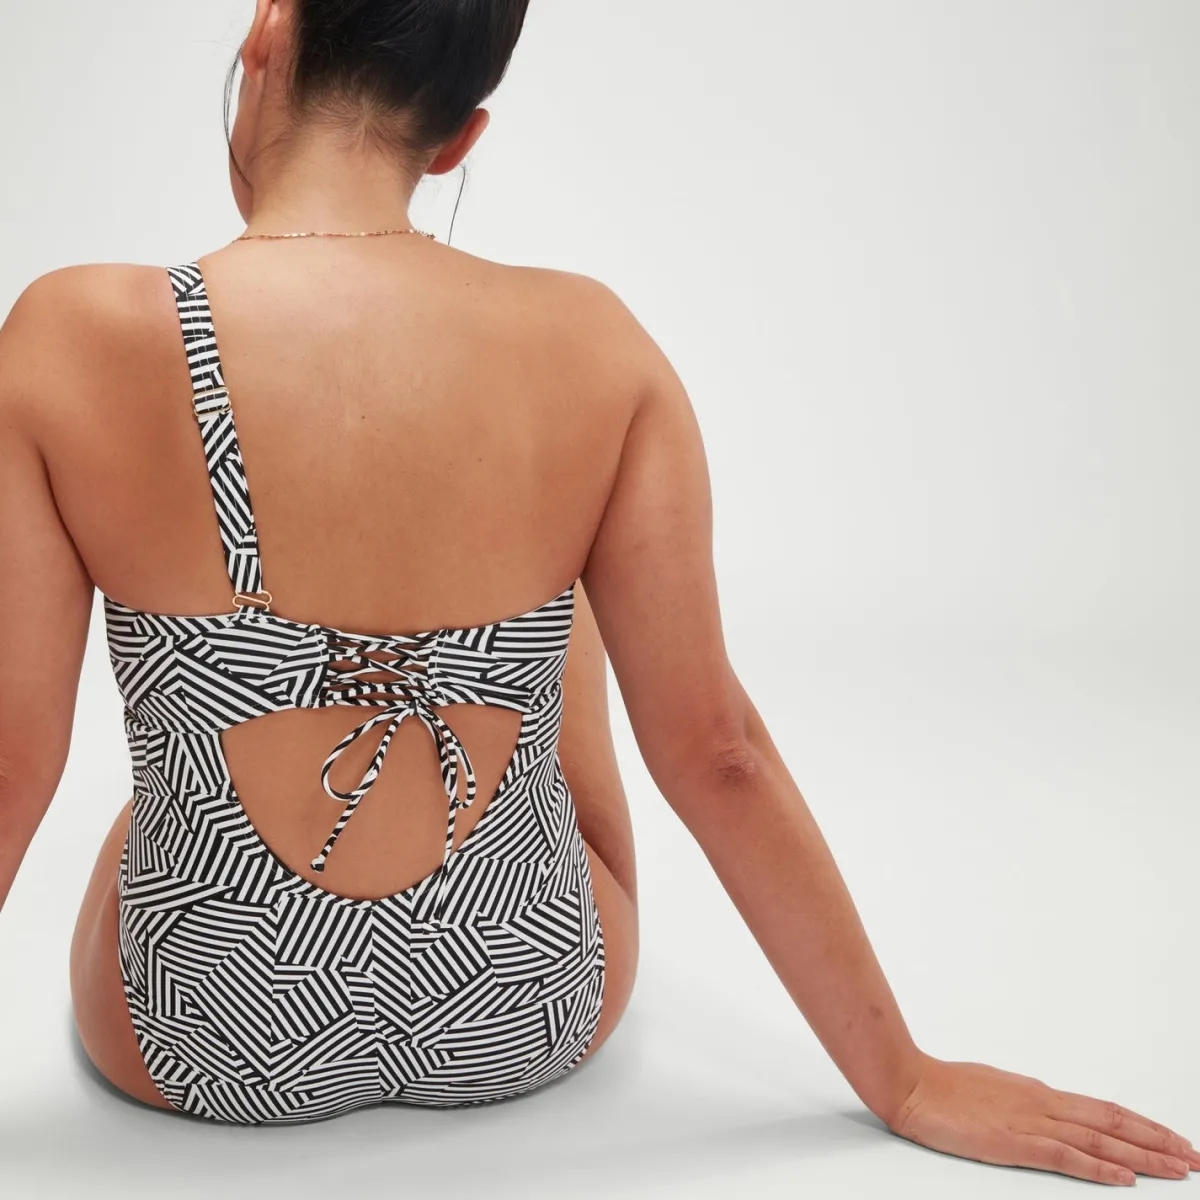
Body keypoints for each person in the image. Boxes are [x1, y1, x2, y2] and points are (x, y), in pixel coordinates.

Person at [0, 0, 1192, 1183]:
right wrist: (905, 1078)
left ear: (269, 31)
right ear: (459, 136)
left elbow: (12, 763)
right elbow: (717, 753)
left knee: (160, 801)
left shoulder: (72, 333)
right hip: (527, 1005)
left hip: (199, 1036)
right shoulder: (591, 341)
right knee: (558, 600)